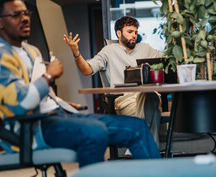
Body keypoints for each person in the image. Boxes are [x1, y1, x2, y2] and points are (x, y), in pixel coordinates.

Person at [0, 0, 161, 168]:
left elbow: (39, 92)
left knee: (136, 127)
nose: (25, 19)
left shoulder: (31, 51)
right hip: (32, 128)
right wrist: (49, 76)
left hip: (57, 115)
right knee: (95, 132)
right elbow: (20, 103)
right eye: (16, 15)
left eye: (26, 13)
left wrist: (59, 102)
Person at [63, 16, 163, 147]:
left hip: (148, 96)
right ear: (119, 33)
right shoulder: (109, 51)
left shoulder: (145, 48)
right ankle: (147, 151)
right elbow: (87, 70)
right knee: (154, 111)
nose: (134, 35)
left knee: (152, 96)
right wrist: (76, 54)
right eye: (130, 31)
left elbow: (167, 61)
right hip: (125, 100)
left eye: (136, 32)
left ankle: (135, 145)